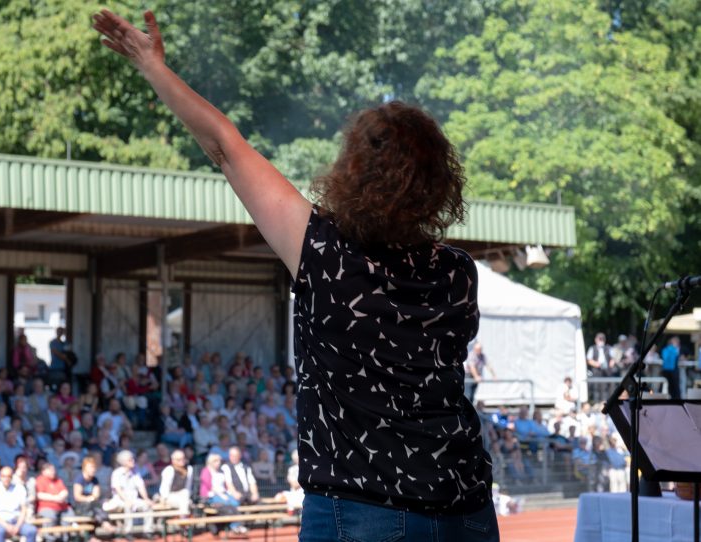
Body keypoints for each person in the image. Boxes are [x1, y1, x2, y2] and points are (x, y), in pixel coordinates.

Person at [92, 9, 498, 541]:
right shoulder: (457, 271)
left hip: (362, 508)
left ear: (353, 169)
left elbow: (225, 147)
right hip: (465, 506)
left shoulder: (324, 251)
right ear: (439, 184)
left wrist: (153, 66)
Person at [0, 466, 37, 542]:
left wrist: (17, 526)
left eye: (8, 476)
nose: (6, 478)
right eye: (4, 476)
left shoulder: (19, 488)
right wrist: (6, 526)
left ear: (12, 477)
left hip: (16, 520)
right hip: (0, 521)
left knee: (32, 531)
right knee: (0, 532)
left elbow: (23, 509)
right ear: (0, 476)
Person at [157, 449, 193, 516]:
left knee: (186, 496)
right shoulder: (169, 470)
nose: (182, 461)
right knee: (184, 502)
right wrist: (164, 498)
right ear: (173, 460)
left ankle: (183, 519)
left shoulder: (189, 469)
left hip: (183, 495)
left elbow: (188, 486)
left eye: (183, 458)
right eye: (179, 459)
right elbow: (165, 486)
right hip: (171, 495)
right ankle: (183, 520)